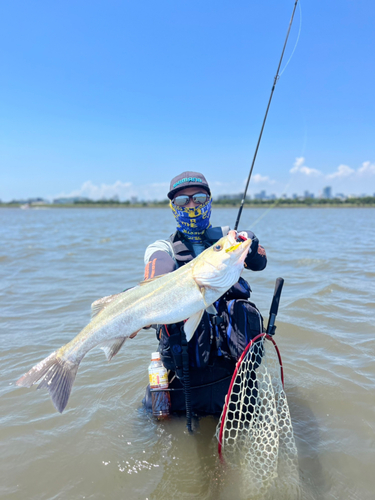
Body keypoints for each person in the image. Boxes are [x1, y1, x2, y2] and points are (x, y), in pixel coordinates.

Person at [142, 171, 267, 415]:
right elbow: (156, 272)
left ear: (209, 201)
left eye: (198, 198)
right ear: (173, 206)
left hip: (233, 380)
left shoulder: (228, 240)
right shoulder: (163, 247)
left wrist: (249, 245)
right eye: (182, 201)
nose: (191, 205)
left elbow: (260, 263)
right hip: (184, 380)